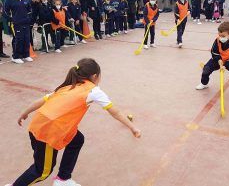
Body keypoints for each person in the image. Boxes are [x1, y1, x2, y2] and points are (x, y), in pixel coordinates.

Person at [5, 58, 141, 186]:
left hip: (41, 124)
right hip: (48, 131)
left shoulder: (68, 86)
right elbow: (115, 112)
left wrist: (25, 112)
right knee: (42, 171)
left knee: (77, 140)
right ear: (95, 76)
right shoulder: (93, 91)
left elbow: (42, 100)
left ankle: (63, 178)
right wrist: (132, 127)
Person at [196, 21, 229, 102]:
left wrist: (226, 65)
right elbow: (214, 51)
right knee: (206, 69)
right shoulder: (217, 40)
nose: (221, 37)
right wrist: (219, 60)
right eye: (219, 35)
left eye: (223, 36)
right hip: (218, 60)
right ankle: (204, 83)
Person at [3, 0, 33, 64]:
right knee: (18, 40)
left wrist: (28, 18)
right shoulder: (9, 0)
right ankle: (16, 57)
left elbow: (30, 10)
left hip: (26, 23)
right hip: (16, 24)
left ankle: (26, 55)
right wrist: (12, 19)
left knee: (26, 39)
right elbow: (5, 12)